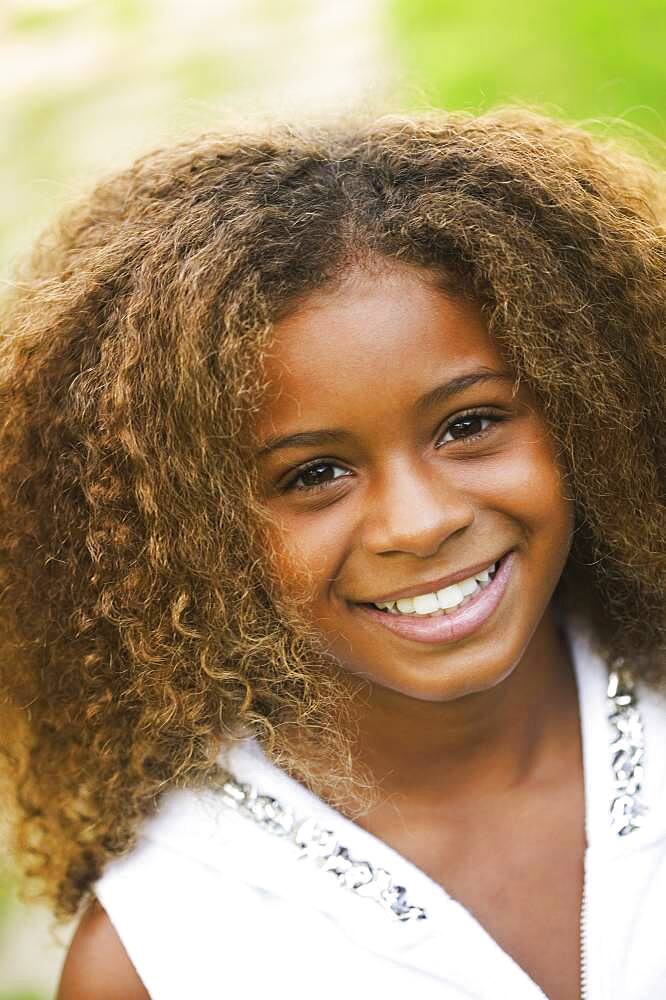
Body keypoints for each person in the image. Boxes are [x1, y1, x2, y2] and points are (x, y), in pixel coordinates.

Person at [0, 108, 664, 1000]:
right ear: (192, 531)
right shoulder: (161, 956)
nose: (420, 523)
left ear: (590, 406)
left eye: (469, 424)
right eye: (313, 473)